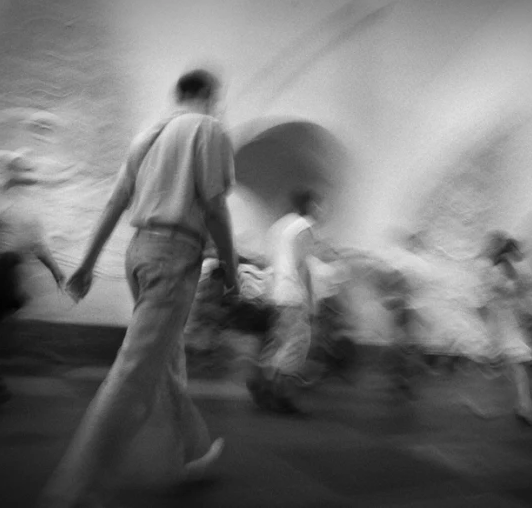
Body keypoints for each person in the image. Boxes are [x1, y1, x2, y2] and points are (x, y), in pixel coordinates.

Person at [38, 69, 240, 508]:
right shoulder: (208, 128)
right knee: (133, 373)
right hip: (175, 256)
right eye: (217, 98)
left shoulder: (147, 136)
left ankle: (193, 449)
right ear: (208, 95)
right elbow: (214, 205)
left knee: (165, 361)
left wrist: (88, 263)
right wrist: (232, 268)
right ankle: (71, 491)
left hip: (139, 253)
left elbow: (116, 201)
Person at [0, 150, 65, 410]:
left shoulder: (26, 207)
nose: (21, 175)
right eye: (17, 169)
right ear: (7, 172)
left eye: (24, 170)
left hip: (11, 271)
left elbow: (37, 244)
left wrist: (54, 269)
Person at [247, 189, 323, 415]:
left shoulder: (279, 226)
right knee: (295, 345)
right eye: (320, 205)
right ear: (310, 205)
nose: (321, 210)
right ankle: (280, 395)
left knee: (276, 343)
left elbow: (268, 260)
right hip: (293, 293)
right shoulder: (303, 227)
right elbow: (302, 266)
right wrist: (310, 301)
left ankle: (263, 386)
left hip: (277, 292)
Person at [479, 231, 532, 426]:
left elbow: (509, 295)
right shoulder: (498, 271)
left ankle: (524, 405)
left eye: (492, 246)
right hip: (501, 322)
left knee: (516, 365)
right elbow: (496, 297)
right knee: (513, 365)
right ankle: (522, 405)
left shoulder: (503, 269)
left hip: (506, 321)